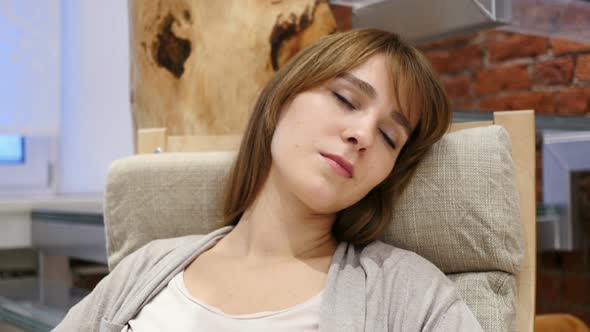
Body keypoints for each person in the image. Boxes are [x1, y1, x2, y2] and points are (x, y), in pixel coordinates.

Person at [55, 28, 483, 331]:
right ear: (281, 101)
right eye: (345, 99)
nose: (364, 134)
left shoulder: (409, 293)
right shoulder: (149, 268)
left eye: (390, 137)